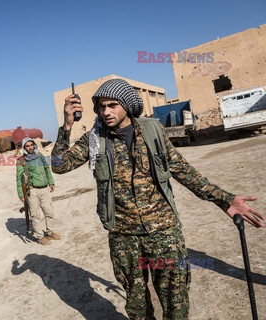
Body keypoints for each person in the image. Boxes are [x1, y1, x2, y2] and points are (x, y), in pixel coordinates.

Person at [51, 79, 264, 319]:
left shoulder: (152, 131)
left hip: (164, 234)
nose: (106, 112)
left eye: (112, 105)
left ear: (127, 105)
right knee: (138, 308)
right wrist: (67, 125)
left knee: (176, 303)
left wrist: (224, 200)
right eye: (101, 106)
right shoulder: (95, 140)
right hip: (124, 237)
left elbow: (183, 170)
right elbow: (59, 166)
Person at [16, 138, 61, 245]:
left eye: (31, 145)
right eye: (27, 146)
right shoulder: (21, 160)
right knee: (35, 215)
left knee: (49, 211)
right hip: (32, 191)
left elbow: (46, 169)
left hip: (44, 188)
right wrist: (21, 194)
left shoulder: (40, 155)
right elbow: (18, 178)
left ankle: (50, 232)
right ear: (24, 148)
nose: (30, 147)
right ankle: (40, 237)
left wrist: (51, 182)